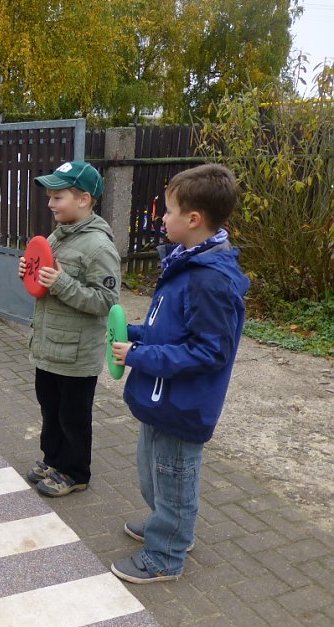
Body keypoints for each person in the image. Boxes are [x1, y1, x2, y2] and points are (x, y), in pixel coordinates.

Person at [109, 164, 249, 584]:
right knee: (152, 470)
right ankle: (166, 524)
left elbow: (209, 352)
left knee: (173, 477)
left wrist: (140, 356)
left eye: (168, 212)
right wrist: (135, 334)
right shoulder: (186, 265)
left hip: (182, 404)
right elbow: (171, 330)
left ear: (194, 220)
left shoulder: (210, 281)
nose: (161, 219)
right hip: (161, 396)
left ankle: (167, 552)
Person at [17, 161, 121, 497]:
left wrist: (60, 282)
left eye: (58, 196)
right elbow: (45, 282)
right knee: (50, 409)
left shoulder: (98, 246)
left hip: (77, 353)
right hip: (49, 345)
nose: (50, 203)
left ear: (84, 199)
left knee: (72, 416)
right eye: (50, 196)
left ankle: (76, 472)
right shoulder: (57, 236)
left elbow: (106, 301)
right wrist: (30, 272)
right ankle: (54, 460)